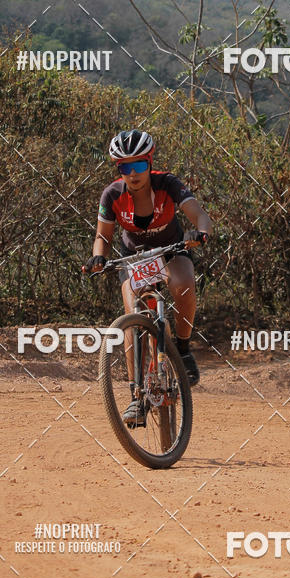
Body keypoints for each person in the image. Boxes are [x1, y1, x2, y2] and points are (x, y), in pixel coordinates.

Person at [84, 129, 212, 427]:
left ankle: (182, 348)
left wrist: (200, 232)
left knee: (183, 285)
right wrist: (97, 256)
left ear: (150, 163)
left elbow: (199, 214)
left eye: (139, 165)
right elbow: (103, 235)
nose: (133, 173)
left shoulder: (168, 184)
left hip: (172, 250)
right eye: (125, 168)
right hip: (135, 258)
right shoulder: (112, 194)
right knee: (132, 321)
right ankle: (135, 396)